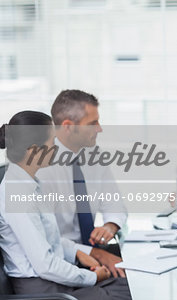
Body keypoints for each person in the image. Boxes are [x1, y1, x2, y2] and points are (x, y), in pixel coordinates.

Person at [0, 111, 131, 299]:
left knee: (129, 282)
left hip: (56, 279)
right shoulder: (17, 195)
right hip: (42, 289)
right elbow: (45, 264)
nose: (56, 148)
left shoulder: (30, 184)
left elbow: (47, 239)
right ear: (34, 150)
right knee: (125, 293)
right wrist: (91, 277)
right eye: (52, 142)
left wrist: (77, 252)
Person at [36, 90, 127, 278]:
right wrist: (96, 254)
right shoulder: (41, 168)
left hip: (92, 251)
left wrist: (110, 226)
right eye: (93, 123)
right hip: (63, 261)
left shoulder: (94, 155)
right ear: (68, 126)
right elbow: (43, 238)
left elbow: (114, 202)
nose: (99, 129)